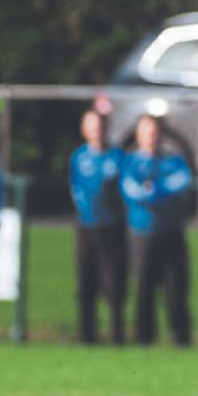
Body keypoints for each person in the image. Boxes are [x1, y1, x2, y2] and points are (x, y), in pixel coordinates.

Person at [120, 114, 193, 346]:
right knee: (143, 287)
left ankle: (181, 338)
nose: (151, 136)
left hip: (171, 233)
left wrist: (156, 189)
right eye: (146, 131)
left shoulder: (174, 161)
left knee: (176, 288)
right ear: (139, 135)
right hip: (142, 234)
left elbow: (182, 181)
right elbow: (130, 189)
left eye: (154, 131)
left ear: (160, 134)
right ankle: (143, 338)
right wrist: (153, 192)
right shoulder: (130, 162)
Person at [68, 108, 126, 344]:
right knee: (85, 284)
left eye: (99, 126)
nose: (96, 131)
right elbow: (75, 190)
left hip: (112, 228)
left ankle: (116, 337)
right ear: (84, 130)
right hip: (86, 227)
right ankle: (86, 337)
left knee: (114, 285)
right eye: (91, 126)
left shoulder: (117, 157)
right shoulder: (78, 157)